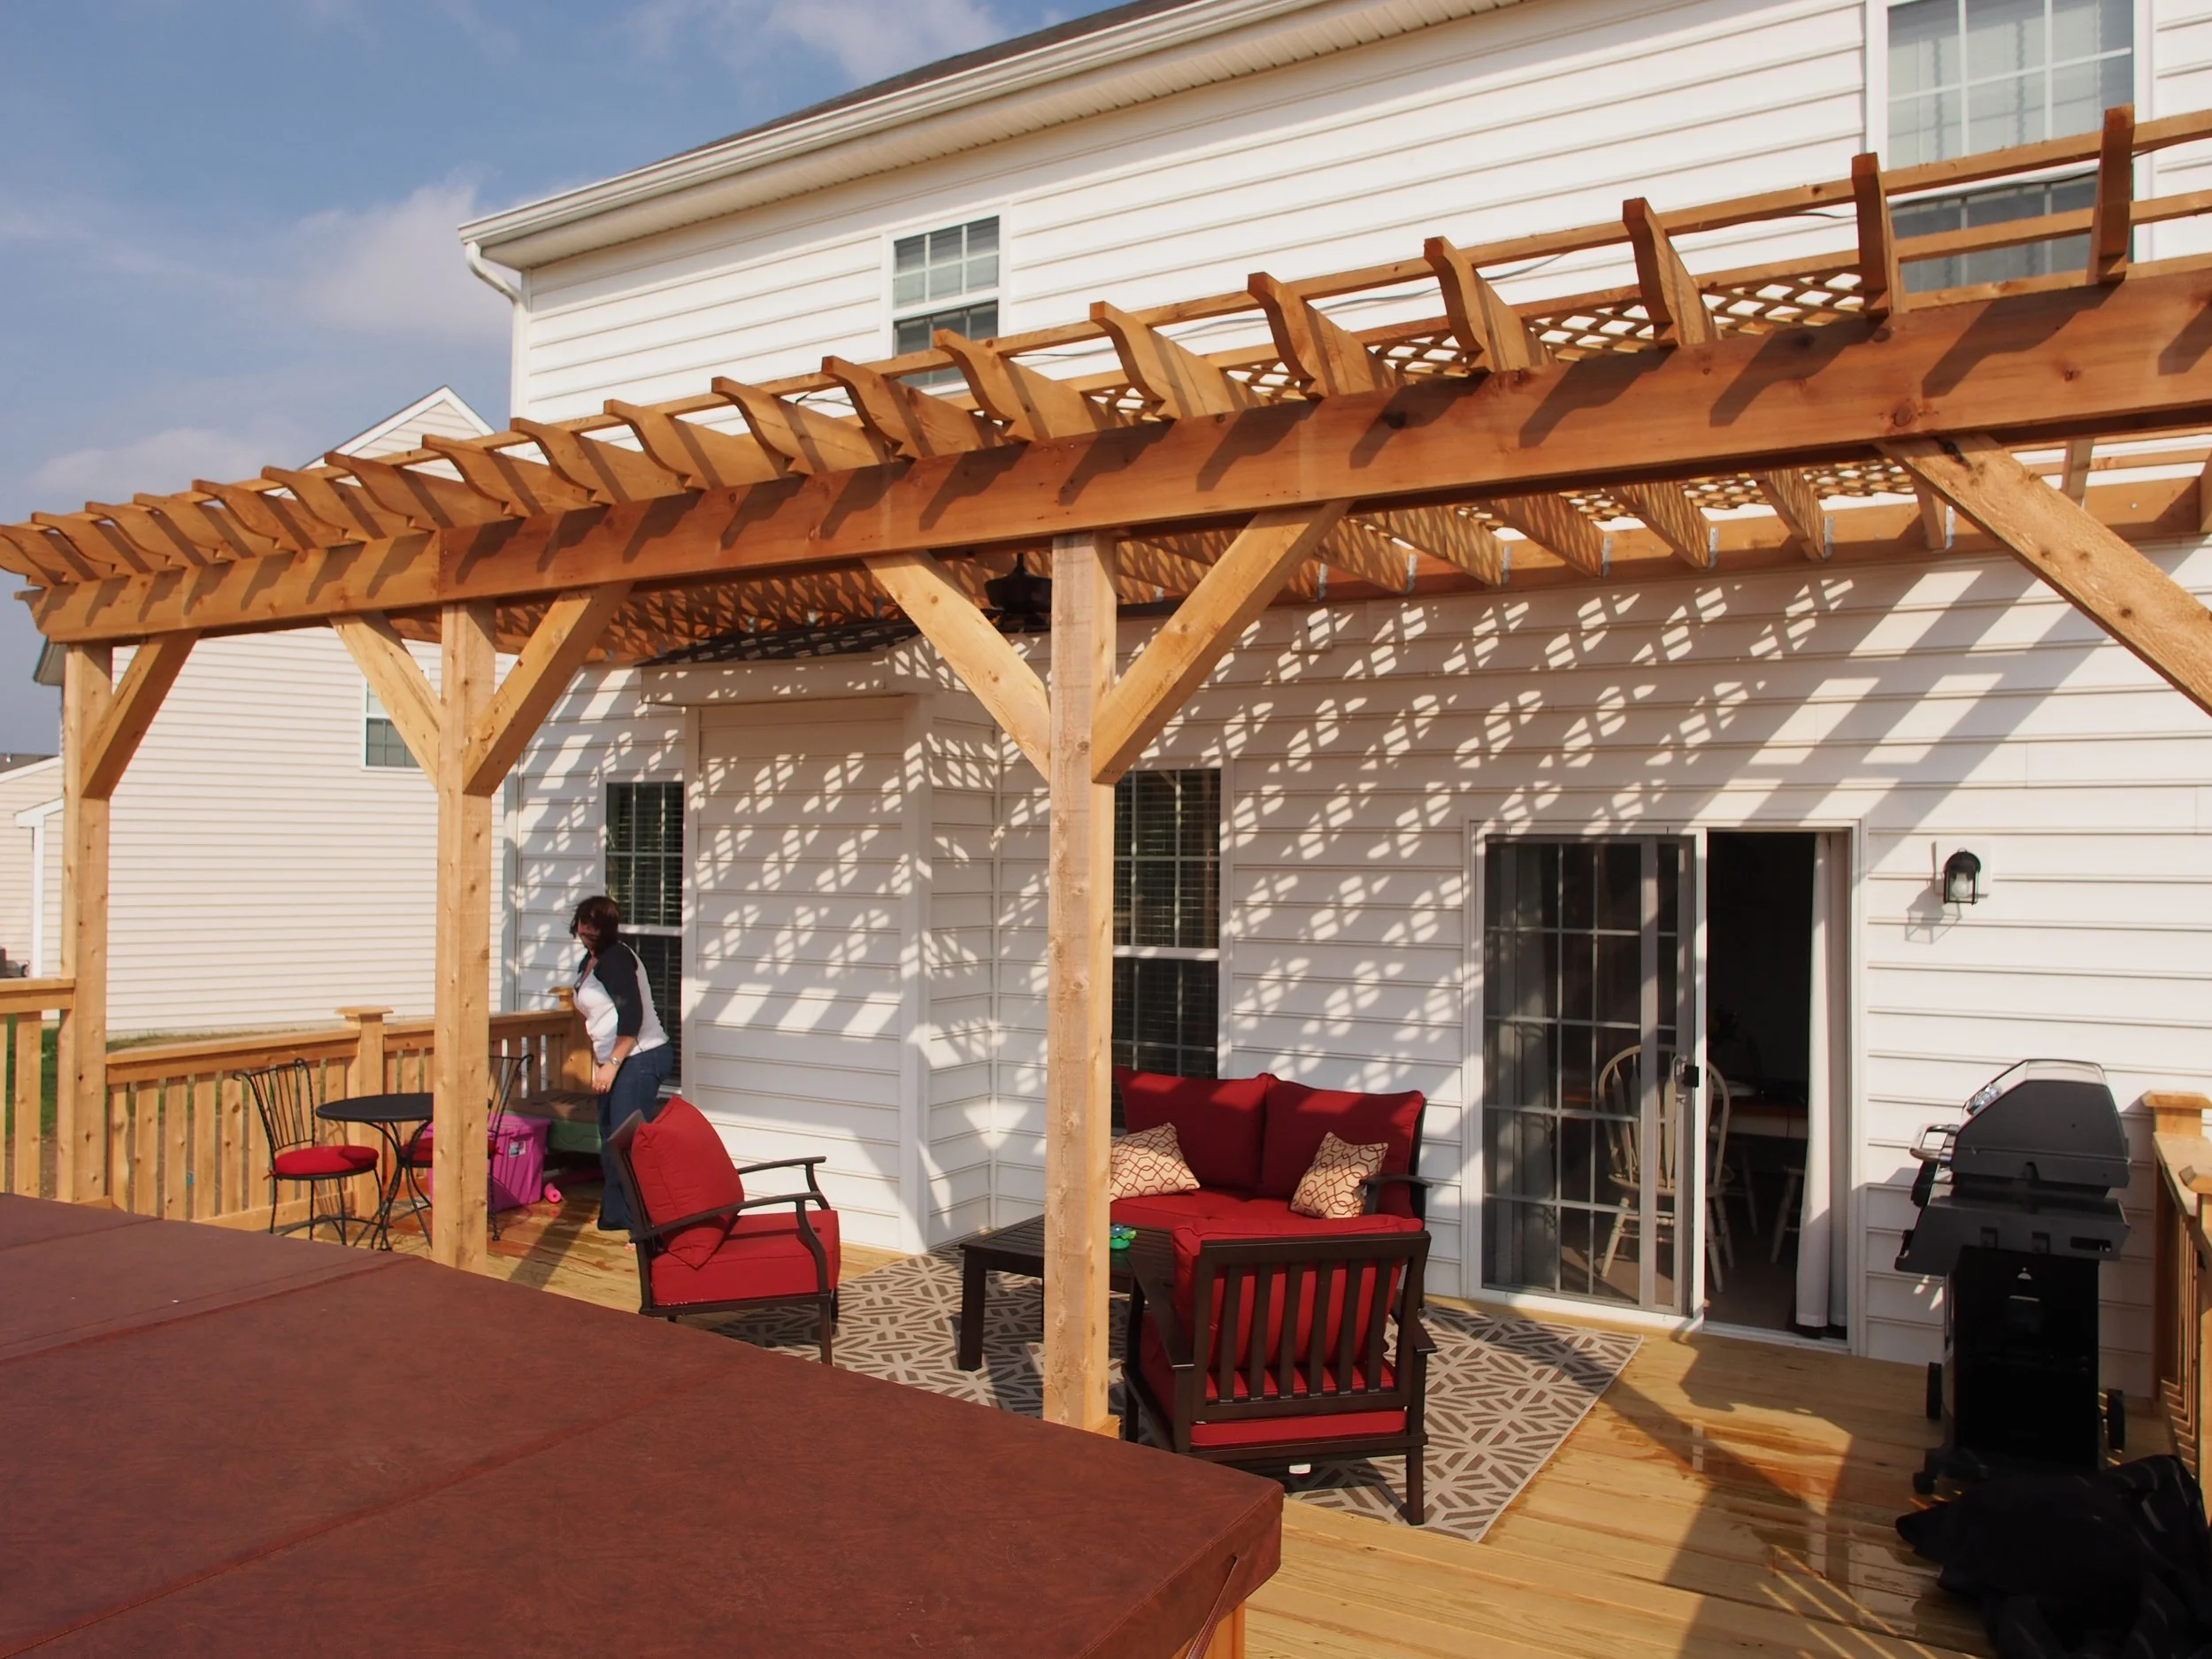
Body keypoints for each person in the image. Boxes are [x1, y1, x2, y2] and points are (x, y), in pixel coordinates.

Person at [569, 895, 673, 1233]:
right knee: (611, 1139)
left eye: (595, 923)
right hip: (616, 1059)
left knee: (627, 1143)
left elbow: (632, 1016)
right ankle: (616, 1218)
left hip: (640, 1056)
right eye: (584, 921)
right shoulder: (591, 959)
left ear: (608, 927)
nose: (587, 928)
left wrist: (612, 1063)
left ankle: (642, 1225)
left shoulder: (615, 958)